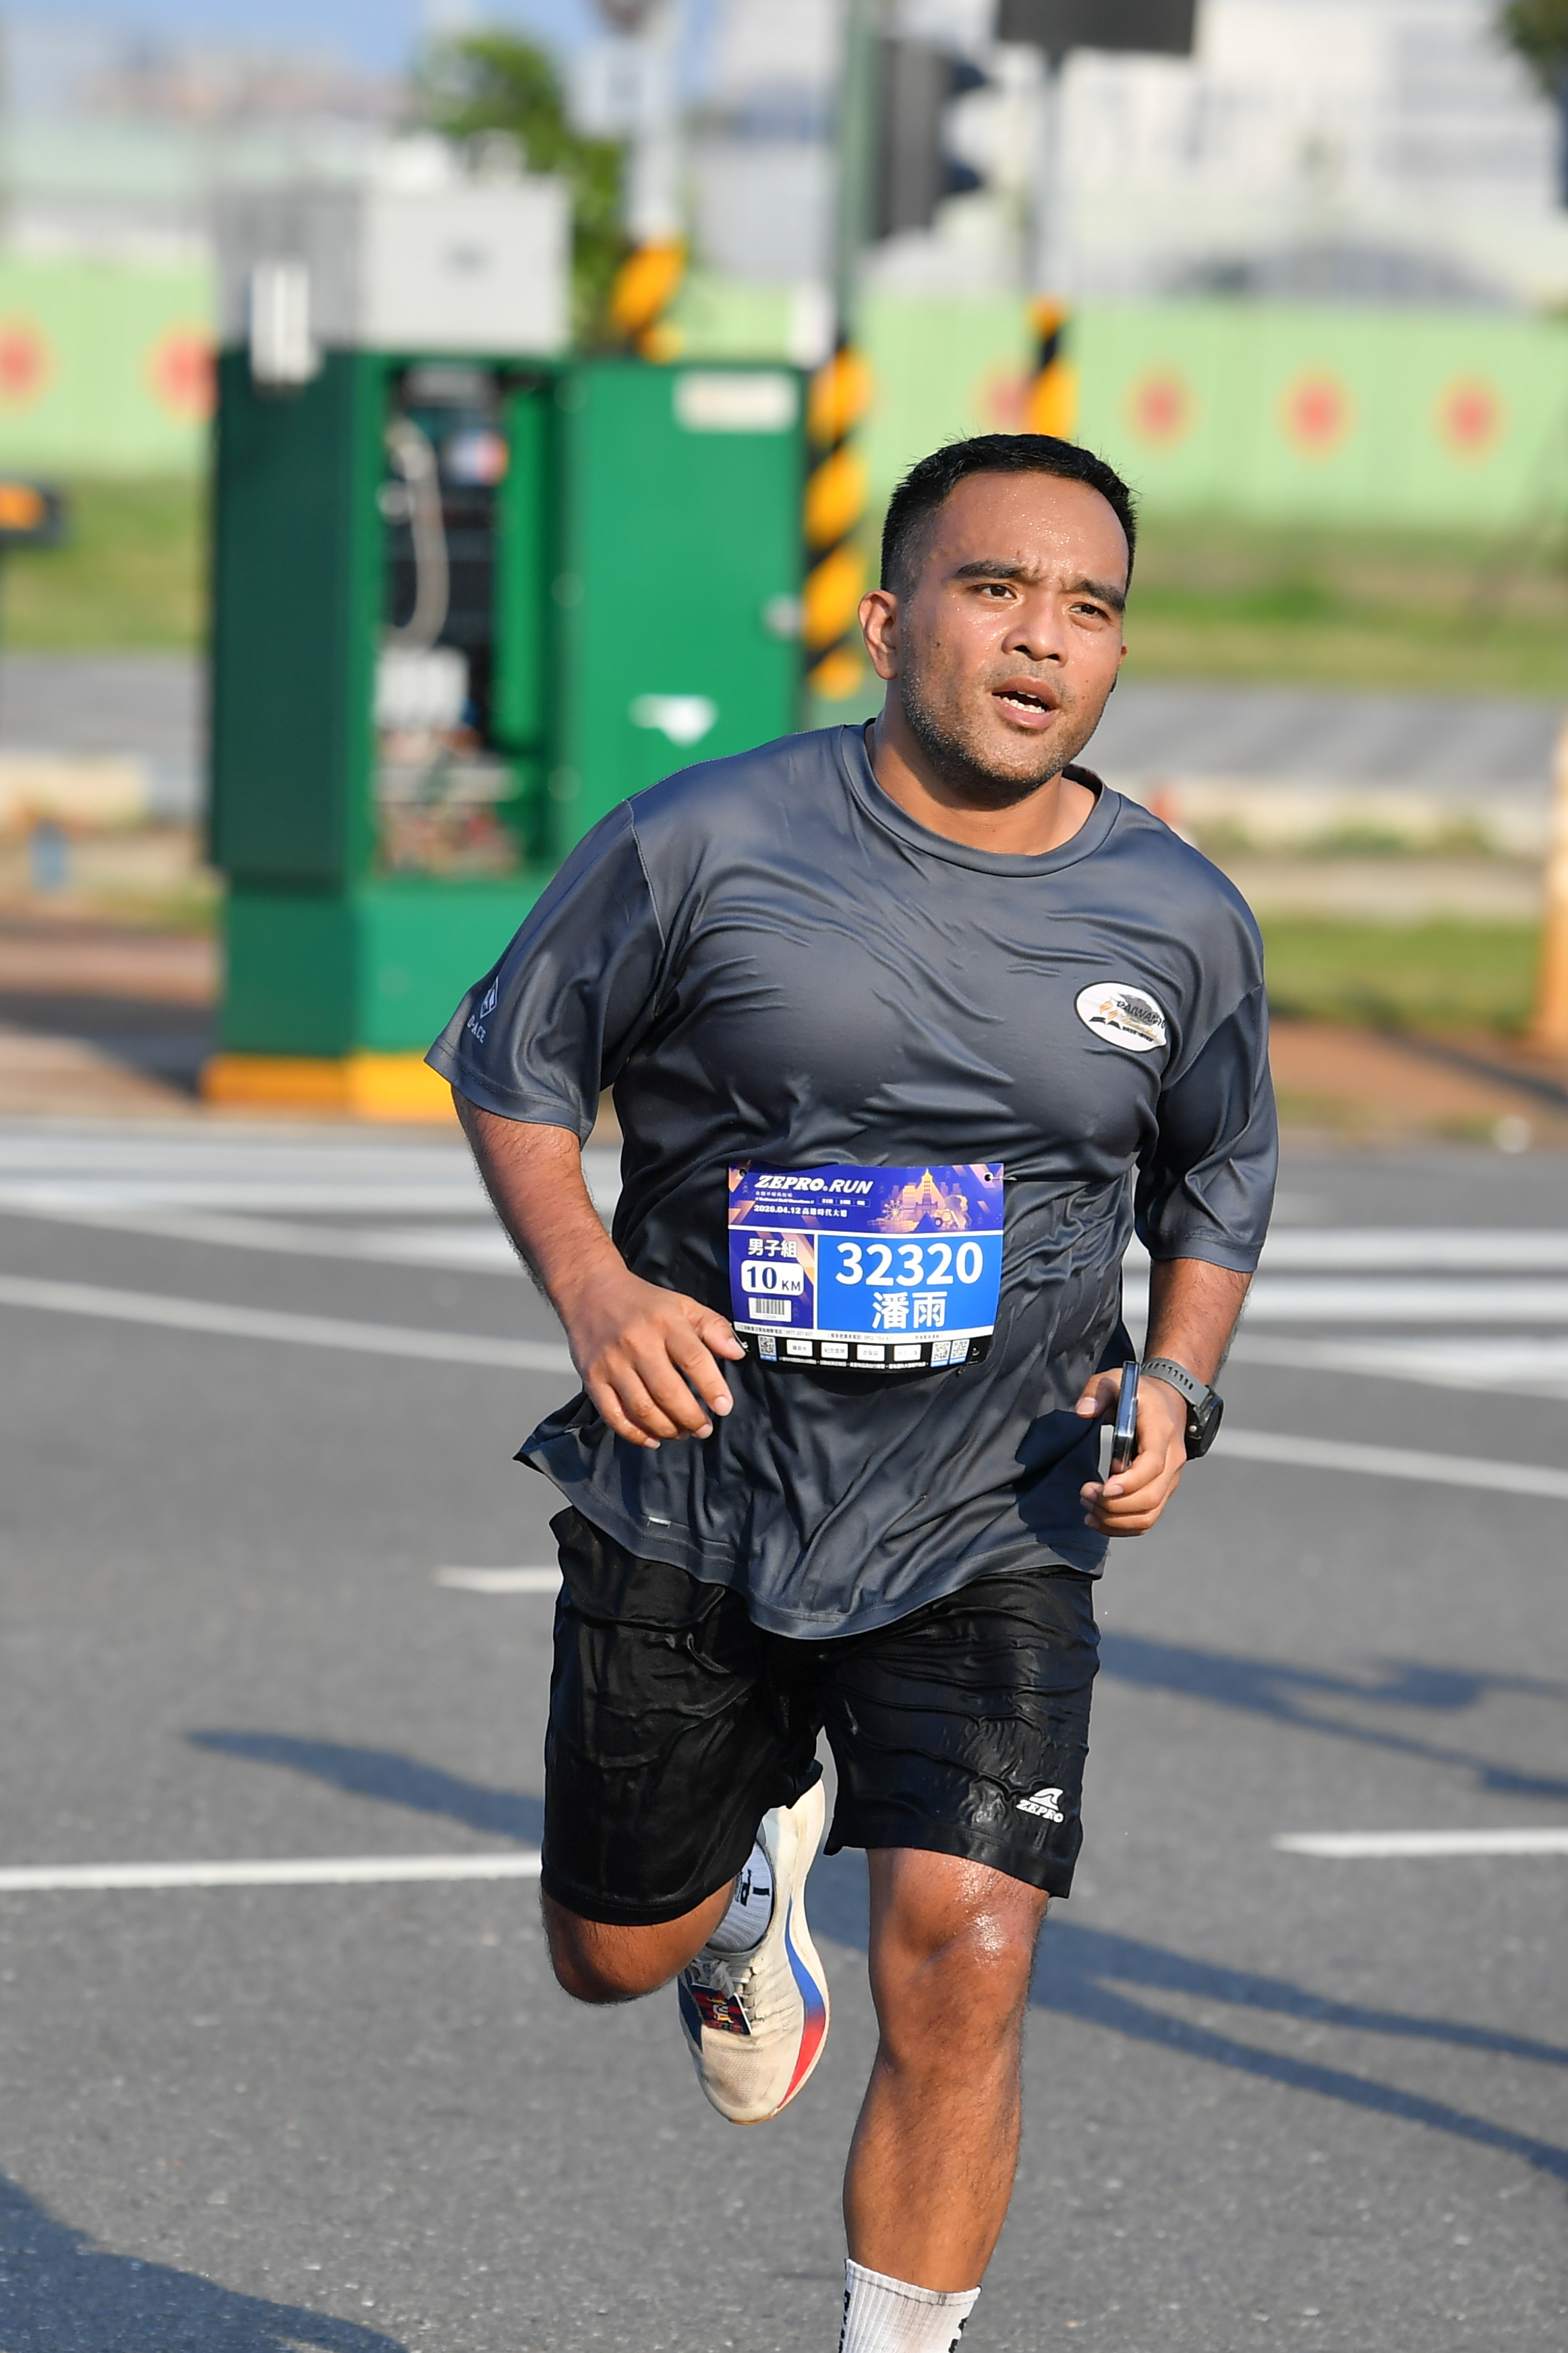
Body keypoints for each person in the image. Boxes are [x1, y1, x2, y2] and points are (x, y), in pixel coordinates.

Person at [428, 433, 1275, 2353]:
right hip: (698, 1480)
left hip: (999, 1505)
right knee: (607, 1952)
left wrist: (1180, 1382)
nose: (1041, 638)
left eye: (1088, 606)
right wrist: (595, 1290)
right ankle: (743, 1887)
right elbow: (510, 1066)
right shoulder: (700, 841)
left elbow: (1220, 1171)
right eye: (995, 589)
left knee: (969, 1958)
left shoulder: (1180, 914)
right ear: (889, 624)